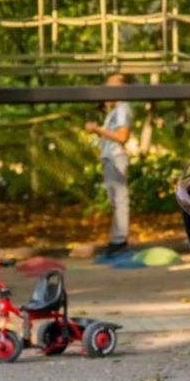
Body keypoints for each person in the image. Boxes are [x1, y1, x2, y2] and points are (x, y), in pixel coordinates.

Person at [85, 74, 133, 256]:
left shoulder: (122, 109)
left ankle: (119, 241)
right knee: (115, 200)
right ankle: (116, 239)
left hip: (115, 157)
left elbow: (122, 137)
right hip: (110, 157)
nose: (106, 87)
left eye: (111, 84)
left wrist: (97, 129)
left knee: (119, 199)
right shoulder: (115, 110)